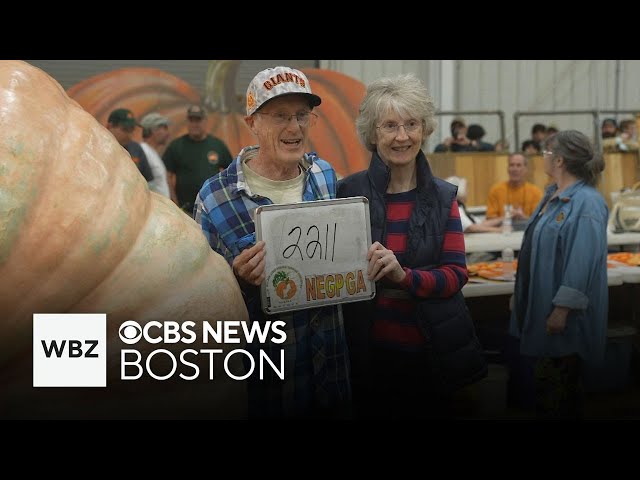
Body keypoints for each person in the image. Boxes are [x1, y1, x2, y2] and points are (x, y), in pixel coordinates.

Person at [194, 66, 351, 419]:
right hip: (268, 381)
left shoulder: (325, 177)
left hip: (332, 372)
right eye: (280, 116)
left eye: (301, 115)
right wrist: (237, 282)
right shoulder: (215, 198)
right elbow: (200, 304)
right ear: (252, 122)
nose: (294, 127)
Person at [337, 73, 487, 419]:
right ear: (373, 134)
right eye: (389, 126)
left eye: (411, 124)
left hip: (430, 354)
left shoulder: (443, 197)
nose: (402, 136)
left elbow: (455, 275)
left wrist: (405, 277)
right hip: (367, 355)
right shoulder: (349, 192)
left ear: (425, 129)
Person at [507, 130, 608, 418]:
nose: (543, 159)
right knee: (545, 387)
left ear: (559, 160)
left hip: (563, 317)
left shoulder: (587, 203)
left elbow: (582, 262)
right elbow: (535, 248)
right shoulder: (552, 195)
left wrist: (563, 309)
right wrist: (520, 293)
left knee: (562, 388)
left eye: (546, 153)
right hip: (541, 304)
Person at [162, 104, 233, 215]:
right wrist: (174, 203)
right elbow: (167, 175)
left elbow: (230, 173)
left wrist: (225, 199)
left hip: (213, 208)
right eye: (191, 120)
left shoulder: (217, 145)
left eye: (198, 120)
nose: (194, 124)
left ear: (205, 121)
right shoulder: (176, 146)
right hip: (185, 210)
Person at [485, 153, 544, 227]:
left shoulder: (536, 192)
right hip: (501, 232)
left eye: (518, 165)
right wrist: (508, 217)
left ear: (526, 169)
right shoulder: (496, 190)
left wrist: (523, 217)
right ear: (507, 169)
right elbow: (489, 219)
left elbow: (539, 221)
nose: (514, 169)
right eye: (511, 165)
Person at [106, 108, 154, 183]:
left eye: (132, 130)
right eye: (125, 129)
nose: (129, 135)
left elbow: (147, 179)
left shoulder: (136, 149)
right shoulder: (97, 147)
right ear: (110, 126)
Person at [140, 112, 171, 198]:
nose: (167, 133)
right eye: (164, 128)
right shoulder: (143, 151)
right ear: (152, 130)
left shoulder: (152, 152)